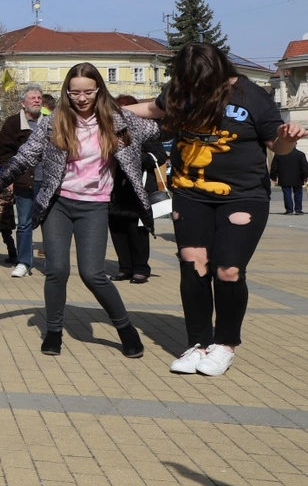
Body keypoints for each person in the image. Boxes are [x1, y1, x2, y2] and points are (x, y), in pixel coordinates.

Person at [128, 43, 308, 376]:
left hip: (243, 195)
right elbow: (154, 109)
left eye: (201, 81)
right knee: (192, 264)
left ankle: (225, 345)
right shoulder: (180, 91)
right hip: (190, 192)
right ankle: (197, 343)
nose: (196, 87)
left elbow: (278, 147)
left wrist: (289, 137)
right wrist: (105, 109)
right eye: (188, 81)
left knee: (228, 269)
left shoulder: (251, 95)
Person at [0, 63, 156, 359]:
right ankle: (53, 331)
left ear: (99, 90)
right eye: (75, 93)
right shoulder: (54, 122)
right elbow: (25, 156)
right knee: (57, 270)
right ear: (67, 92)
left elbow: (161, 126)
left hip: (95, 205)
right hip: (58, 203)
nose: (82, 98)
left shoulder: (119, 120)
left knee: (92, 273)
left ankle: (125, 328)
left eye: (88, 92)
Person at [107, 94, 166, 284]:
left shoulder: (144, 129)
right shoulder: (110, 132)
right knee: (117, 228)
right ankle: (125, 267)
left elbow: (160, 156)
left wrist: (135, 157)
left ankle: (141, 268)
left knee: (137, 229)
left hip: (138, 188)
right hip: (116, 188)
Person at [0, 84, 44, 278]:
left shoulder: (50, 122)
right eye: (33, 98)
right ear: (23, 103)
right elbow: (4, 154)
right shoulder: (12, 124)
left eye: (39, 97)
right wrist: (9, 177)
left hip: (47, 182)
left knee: (50, 224)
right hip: (24, 181)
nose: (37, 100)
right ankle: (23, 262)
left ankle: (53, 262)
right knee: (24, 223)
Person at [270, 147, 308, 215]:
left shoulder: (279, 154)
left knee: (287, 193)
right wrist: (305, 176)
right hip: (298, 177)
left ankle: (289, 210)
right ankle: (298, 210)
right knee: (298, 193)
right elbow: (304, 167)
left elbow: (274, 167)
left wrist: (273, 176)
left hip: (284, 177)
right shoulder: (300, 154)